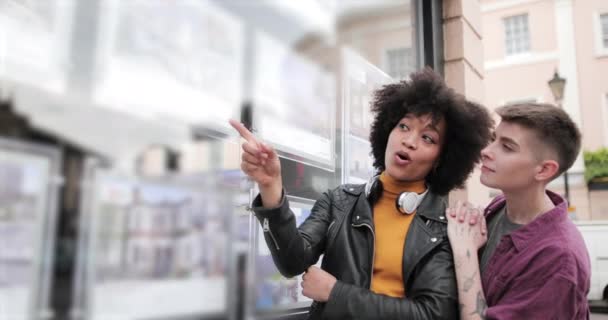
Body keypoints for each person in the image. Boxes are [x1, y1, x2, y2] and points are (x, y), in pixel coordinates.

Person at [230, 68, 494, 319]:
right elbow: (292, 261)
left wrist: (336, 293)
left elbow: (431, 314)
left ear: (441, 158)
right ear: (387, 130)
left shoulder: (447, 226)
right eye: (403, 126)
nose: (409, 141)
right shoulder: (340, 201)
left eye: (428, 138)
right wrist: (271, 185)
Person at [447, 103, 591, 319]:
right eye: (494, 139)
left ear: (544, 170)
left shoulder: (558, 259)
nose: (486, 151)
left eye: (507, 147)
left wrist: (464, 252)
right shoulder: (499, 208)